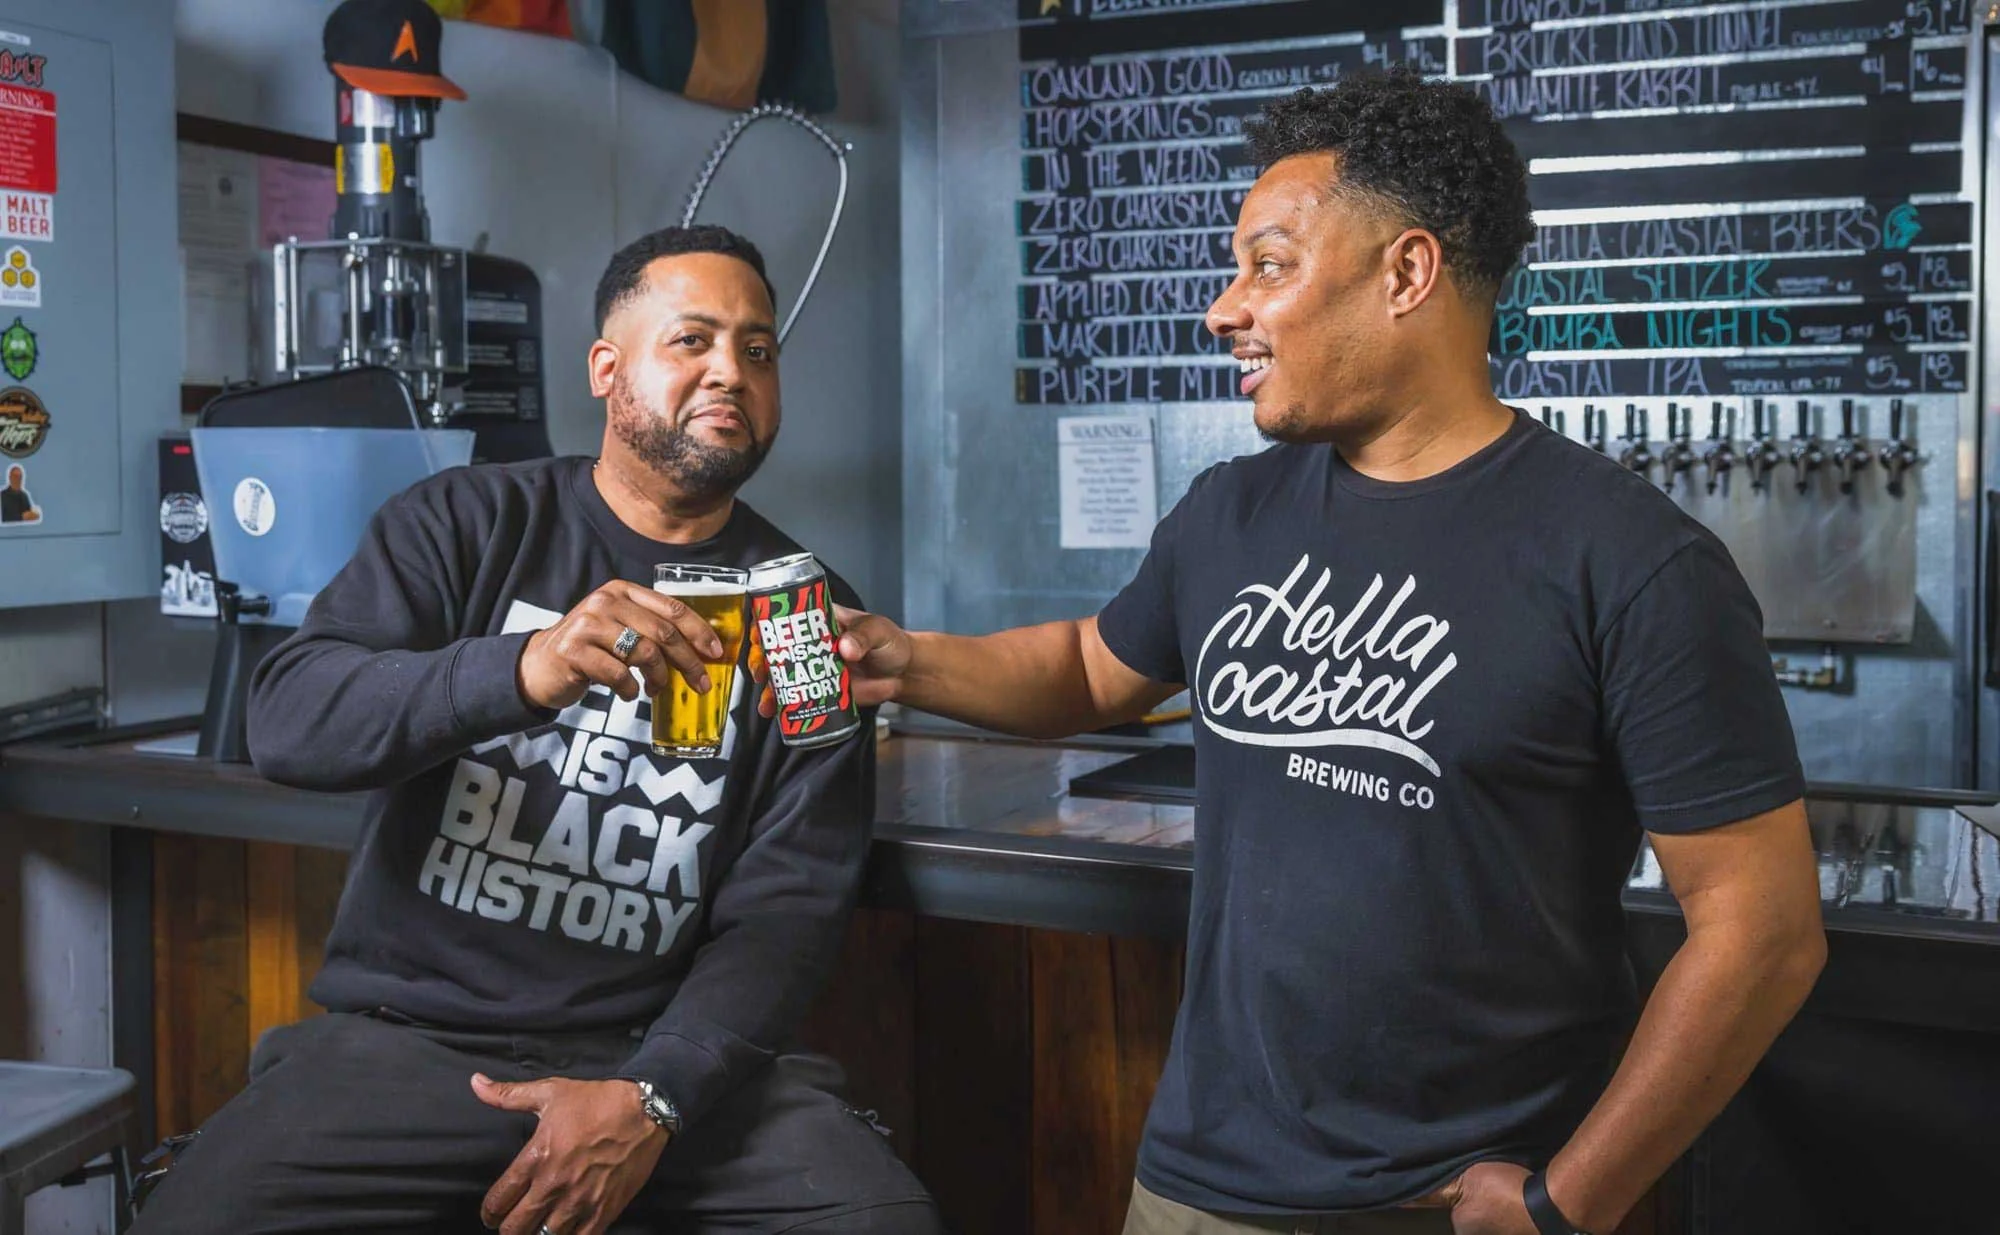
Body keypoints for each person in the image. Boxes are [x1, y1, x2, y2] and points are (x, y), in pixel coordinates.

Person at [780, 70, 1827, 1235]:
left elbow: (1761, 928)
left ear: (1405, 273)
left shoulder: (1629, 560)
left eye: (1267, 265)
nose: (1224, 308)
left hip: (1449, 1199)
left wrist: (1565, 1200)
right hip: (1195, 1186)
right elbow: (1087, 668)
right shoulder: (1231, 511)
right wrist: (903, 659)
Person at [132, 225, 941, 1235]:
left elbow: (786, 909)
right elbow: (292, 720)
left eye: (758, 349)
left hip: (656, 1052)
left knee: (882, 1221)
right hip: (412, 1040)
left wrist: (655, 1093)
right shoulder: (465, 523)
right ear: (607, 369)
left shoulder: (805, 612)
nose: (730, 371)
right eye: (691, 340)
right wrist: (522, 668)